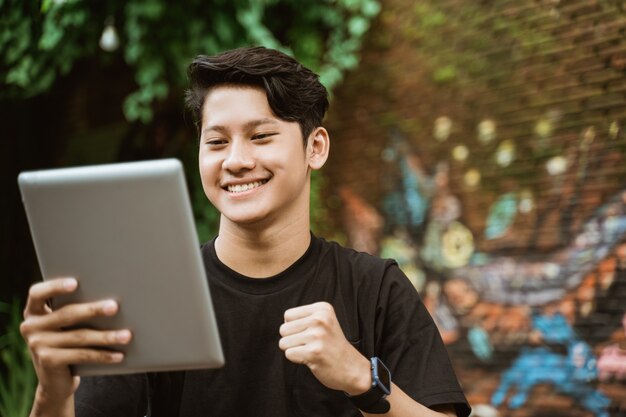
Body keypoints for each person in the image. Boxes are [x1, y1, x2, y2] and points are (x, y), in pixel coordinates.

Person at [20, 46, 471, 417]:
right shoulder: (154, 291)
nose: (235, 160)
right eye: (216, 141)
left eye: (260, 136)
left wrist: (361, 380)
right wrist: (52, 394)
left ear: (315, 147)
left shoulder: (375, 288)